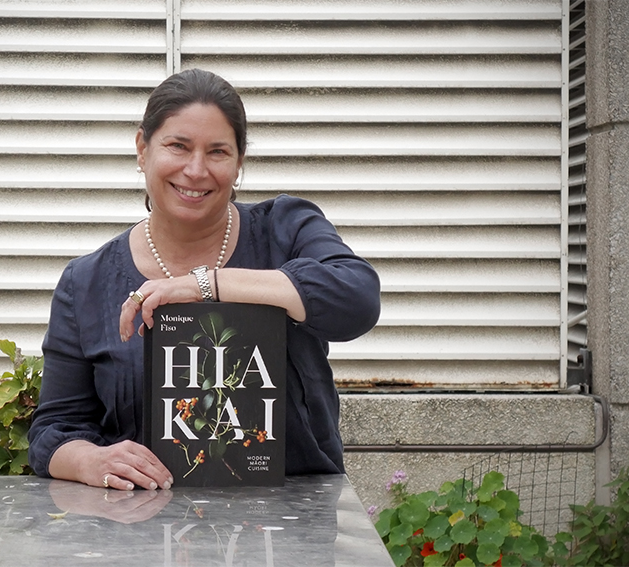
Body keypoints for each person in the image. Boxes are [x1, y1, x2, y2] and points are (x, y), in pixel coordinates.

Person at [28, 68, 380, 491]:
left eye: (217, 152)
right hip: (141, 529)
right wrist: (90, 460)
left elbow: (357, 298)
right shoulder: (85, 282)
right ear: (142, 148)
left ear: (239, 162)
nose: (196, 170)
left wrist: (204, 285)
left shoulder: (286, 230)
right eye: (177, 146)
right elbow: (54, 429)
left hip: (292, 527)